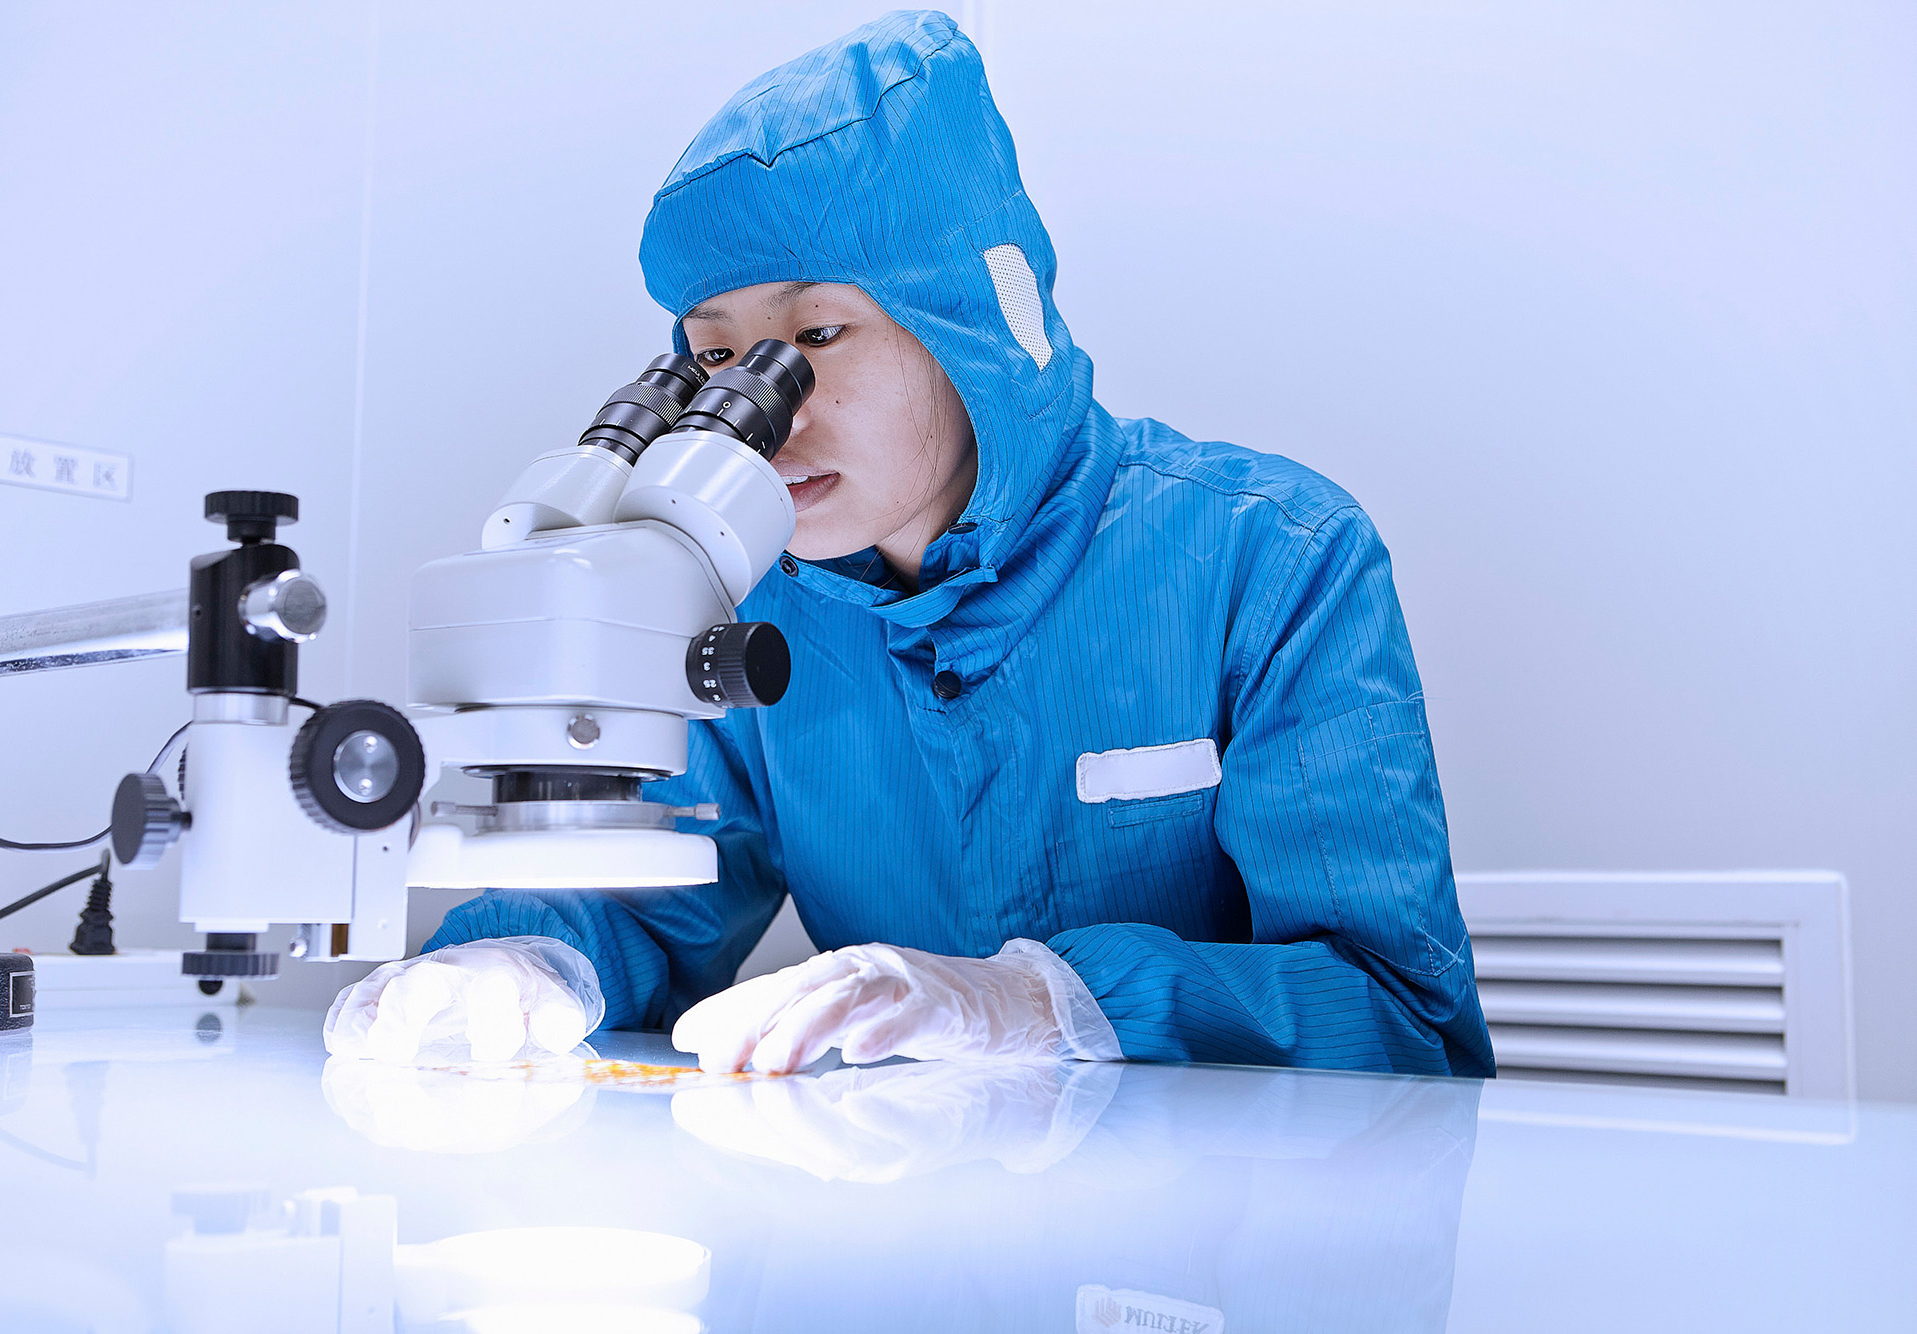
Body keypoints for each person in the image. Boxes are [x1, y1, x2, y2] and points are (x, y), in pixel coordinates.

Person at [326, 11, 1494, 1079]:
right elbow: (639, 897)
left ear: (968, 325)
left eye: (816, 333)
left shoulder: (1271, 560)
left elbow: (1400, 1019)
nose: (762, 414)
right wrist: (517, 969)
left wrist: (1044, 1002)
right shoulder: (752, 611)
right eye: (716, 359)